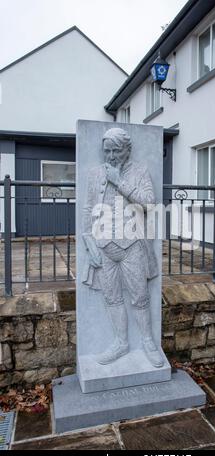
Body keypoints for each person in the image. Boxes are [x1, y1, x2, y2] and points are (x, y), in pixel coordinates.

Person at [82, 127, 164, 368]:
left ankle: (148, 342)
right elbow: (88, 209)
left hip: (132, 246)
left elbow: (149, 203)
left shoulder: (139, 172)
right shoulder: (95, 174)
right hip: (104, 247)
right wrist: (89, 242)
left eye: (116, 151)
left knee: (140, 296)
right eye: (107, 151)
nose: (110, 156)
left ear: (127, 150)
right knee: (112, 297)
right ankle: (120, 343)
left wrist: (120, 182)